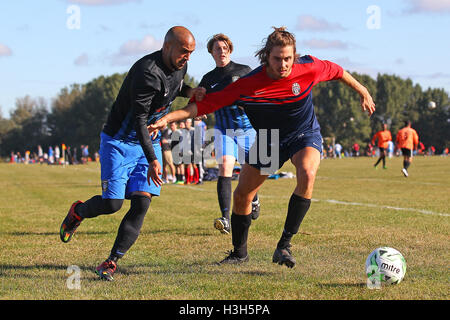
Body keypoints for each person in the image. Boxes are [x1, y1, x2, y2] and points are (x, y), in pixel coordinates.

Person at [149, 27, 375, 267]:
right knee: (242, 196)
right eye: (277, 58)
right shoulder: (248, 84)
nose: (283, 64)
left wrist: (362, 89)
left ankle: (284, 245)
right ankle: (239, 253)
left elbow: (337, 70)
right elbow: (207, 105)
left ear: (294, 56)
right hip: (270, 139)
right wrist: (169, 118)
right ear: (267, 56)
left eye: (288, 58)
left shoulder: (308, 67)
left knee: (307, 173)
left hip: (304, 134)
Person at [59, 26, 203, 281]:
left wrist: (190, 91)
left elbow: (174, 87)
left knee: (142, 202)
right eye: (184, 52)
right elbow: (139, 121)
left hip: (148, 139)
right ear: (167, 46)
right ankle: (78, 212)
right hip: (119, 141)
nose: (188, 58)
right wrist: (153, 159)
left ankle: (111, 261)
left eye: (191, 53)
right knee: (112, 204)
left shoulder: (181, 65)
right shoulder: (147, 72)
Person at [198, 33, 260, 235]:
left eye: (225, 48)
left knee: (250, 170)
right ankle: (226, 218)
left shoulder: (244, 71)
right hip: (224, 131)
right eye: (217, 48)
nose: (221, 51)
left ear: (230, 50)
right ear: (211, 52)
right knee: (225, 165)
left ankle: (255, 198)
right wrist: (199, 112)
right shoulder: (208, 79)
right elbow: (200, 102)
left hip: (248, 129)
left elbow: (258, 94)